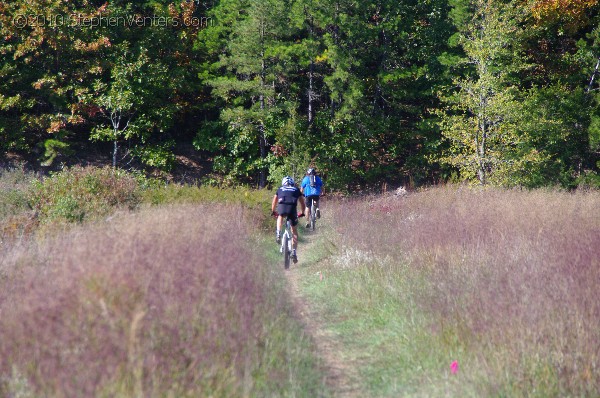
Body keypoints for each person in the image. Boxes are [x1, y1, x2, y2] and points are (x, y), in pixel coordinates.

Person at [271, 176, 306, 263]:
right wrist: (302, 212)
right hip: (292, 209)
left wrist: (273, 211)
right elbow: (302, 202)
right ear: (292, 183)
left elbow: (275, 200)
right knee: (294, 231)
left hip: (282, 207)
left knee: (280, 216)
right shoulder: (296, 189)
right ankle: (294, 252)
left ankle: (278, 232)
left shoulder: (280, 189)